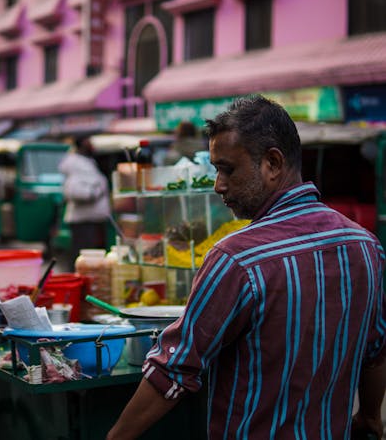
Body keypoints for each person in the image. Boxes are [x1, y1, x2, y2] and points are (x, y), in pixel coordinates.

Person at [107, 95, 385, 439]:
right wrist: (371, 416)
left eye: (227, 169)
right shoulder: (366, 246)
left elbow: (173, 370)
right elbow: (377, 352)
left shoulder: (237, 259)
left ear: (272, 163)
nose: (218, 184)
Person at [59, 136, 110, 271]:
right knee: (84, 260)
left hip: (92, 220)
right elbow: (74, 192)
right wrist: (95, 192)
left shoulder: (87, 163)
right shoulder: (77, 165)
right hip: (84, 222)